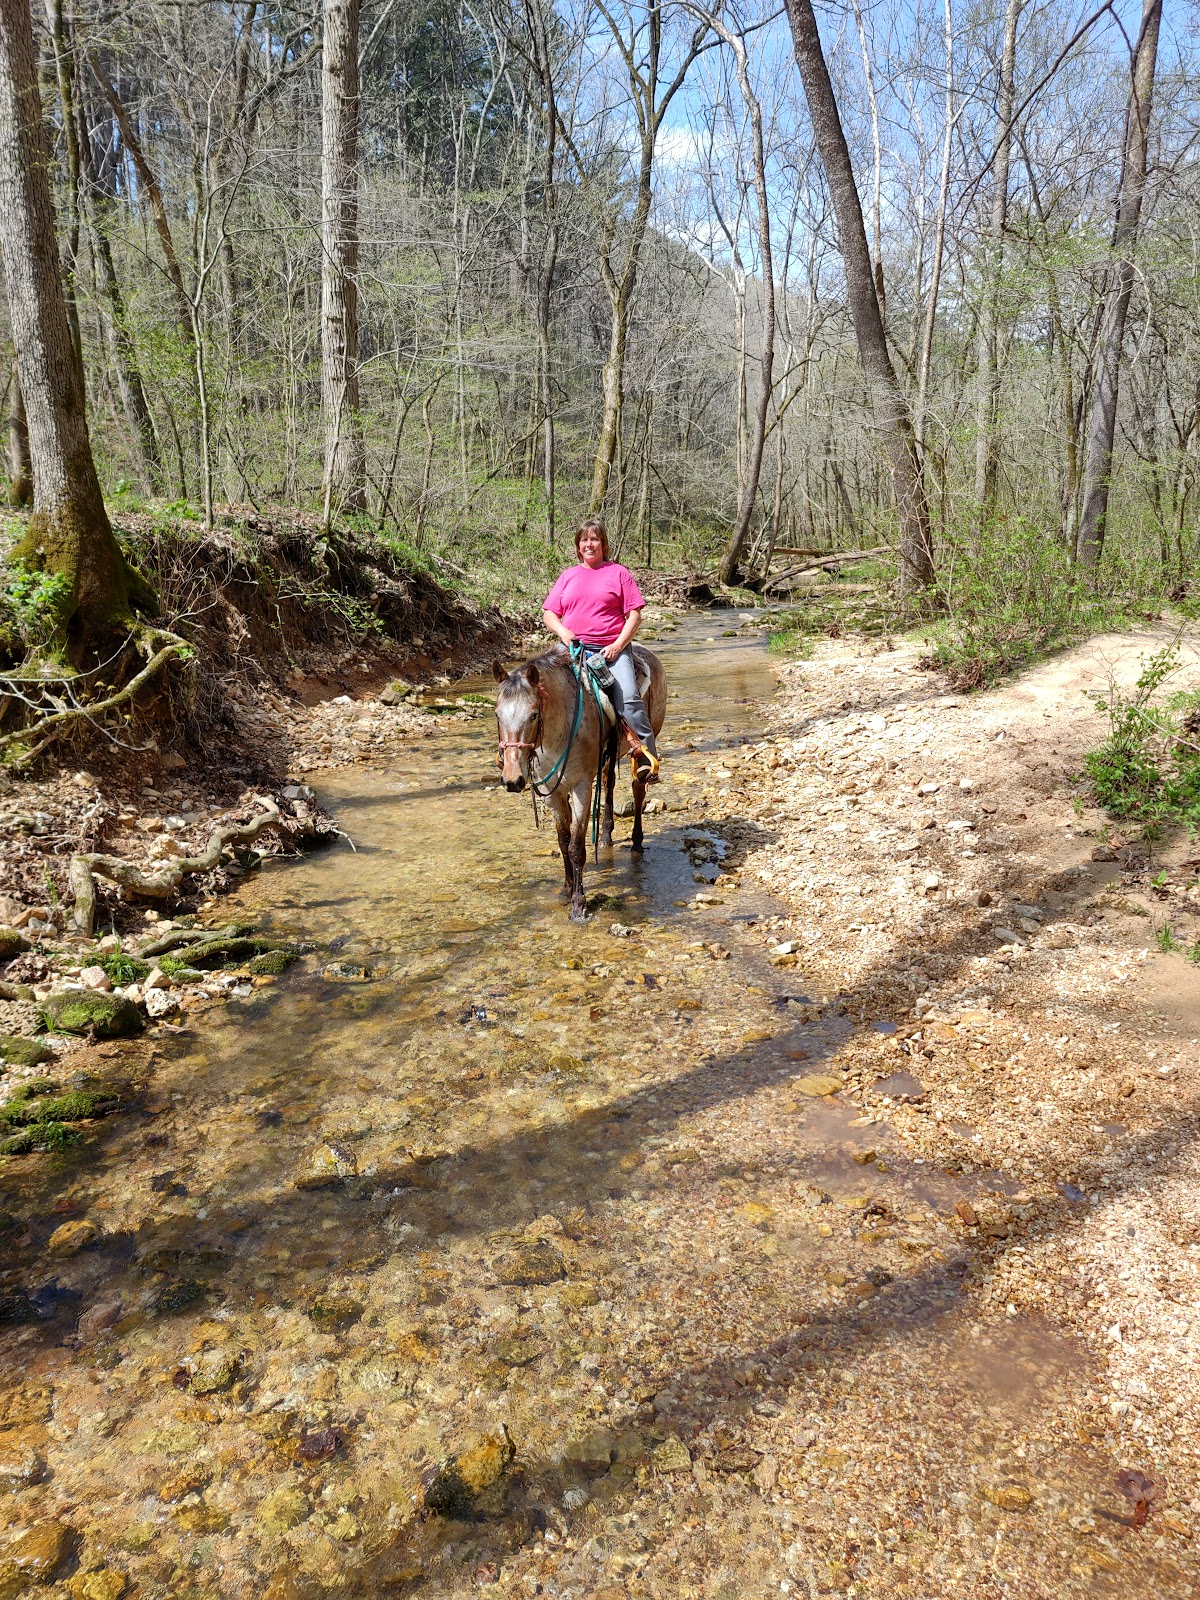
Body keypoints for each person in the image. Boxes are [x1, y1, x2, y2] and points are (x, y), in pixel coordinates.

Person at [542, 518, 659, 780]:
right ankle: (521, 753)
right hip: (572, 649)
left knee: (628, 695)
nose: (589, 544)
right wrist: (563, 632)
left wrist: (618, 645)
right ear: (578, 546)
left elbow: (635, 615)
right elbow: (549, 613)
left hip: (610, 650)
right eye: (584, 540)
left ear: (603, 544)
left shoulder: (619, 573)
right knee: (538, 689)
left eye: (594, 539)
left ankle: (645, 756)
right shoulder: (568, 576)